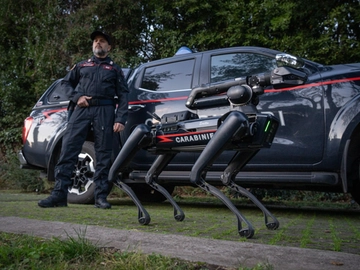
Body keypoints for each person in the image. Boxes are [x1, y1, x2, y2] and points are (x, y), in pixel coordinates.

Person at [38, 30, 129, 209]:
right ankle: (59, 195)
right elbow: (65, 84)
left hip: (105, 110)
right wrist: (76, 97)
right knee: (68, 150)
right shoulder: (82, 66)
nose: (98, 43)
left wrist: (121, 118)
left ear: (109, 47)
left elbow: (124, 94)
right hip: (81, 109)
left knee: (103, 154)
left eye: (102, 41)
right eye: (95, 41)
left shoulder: (115, 69)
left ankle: (100, 197)